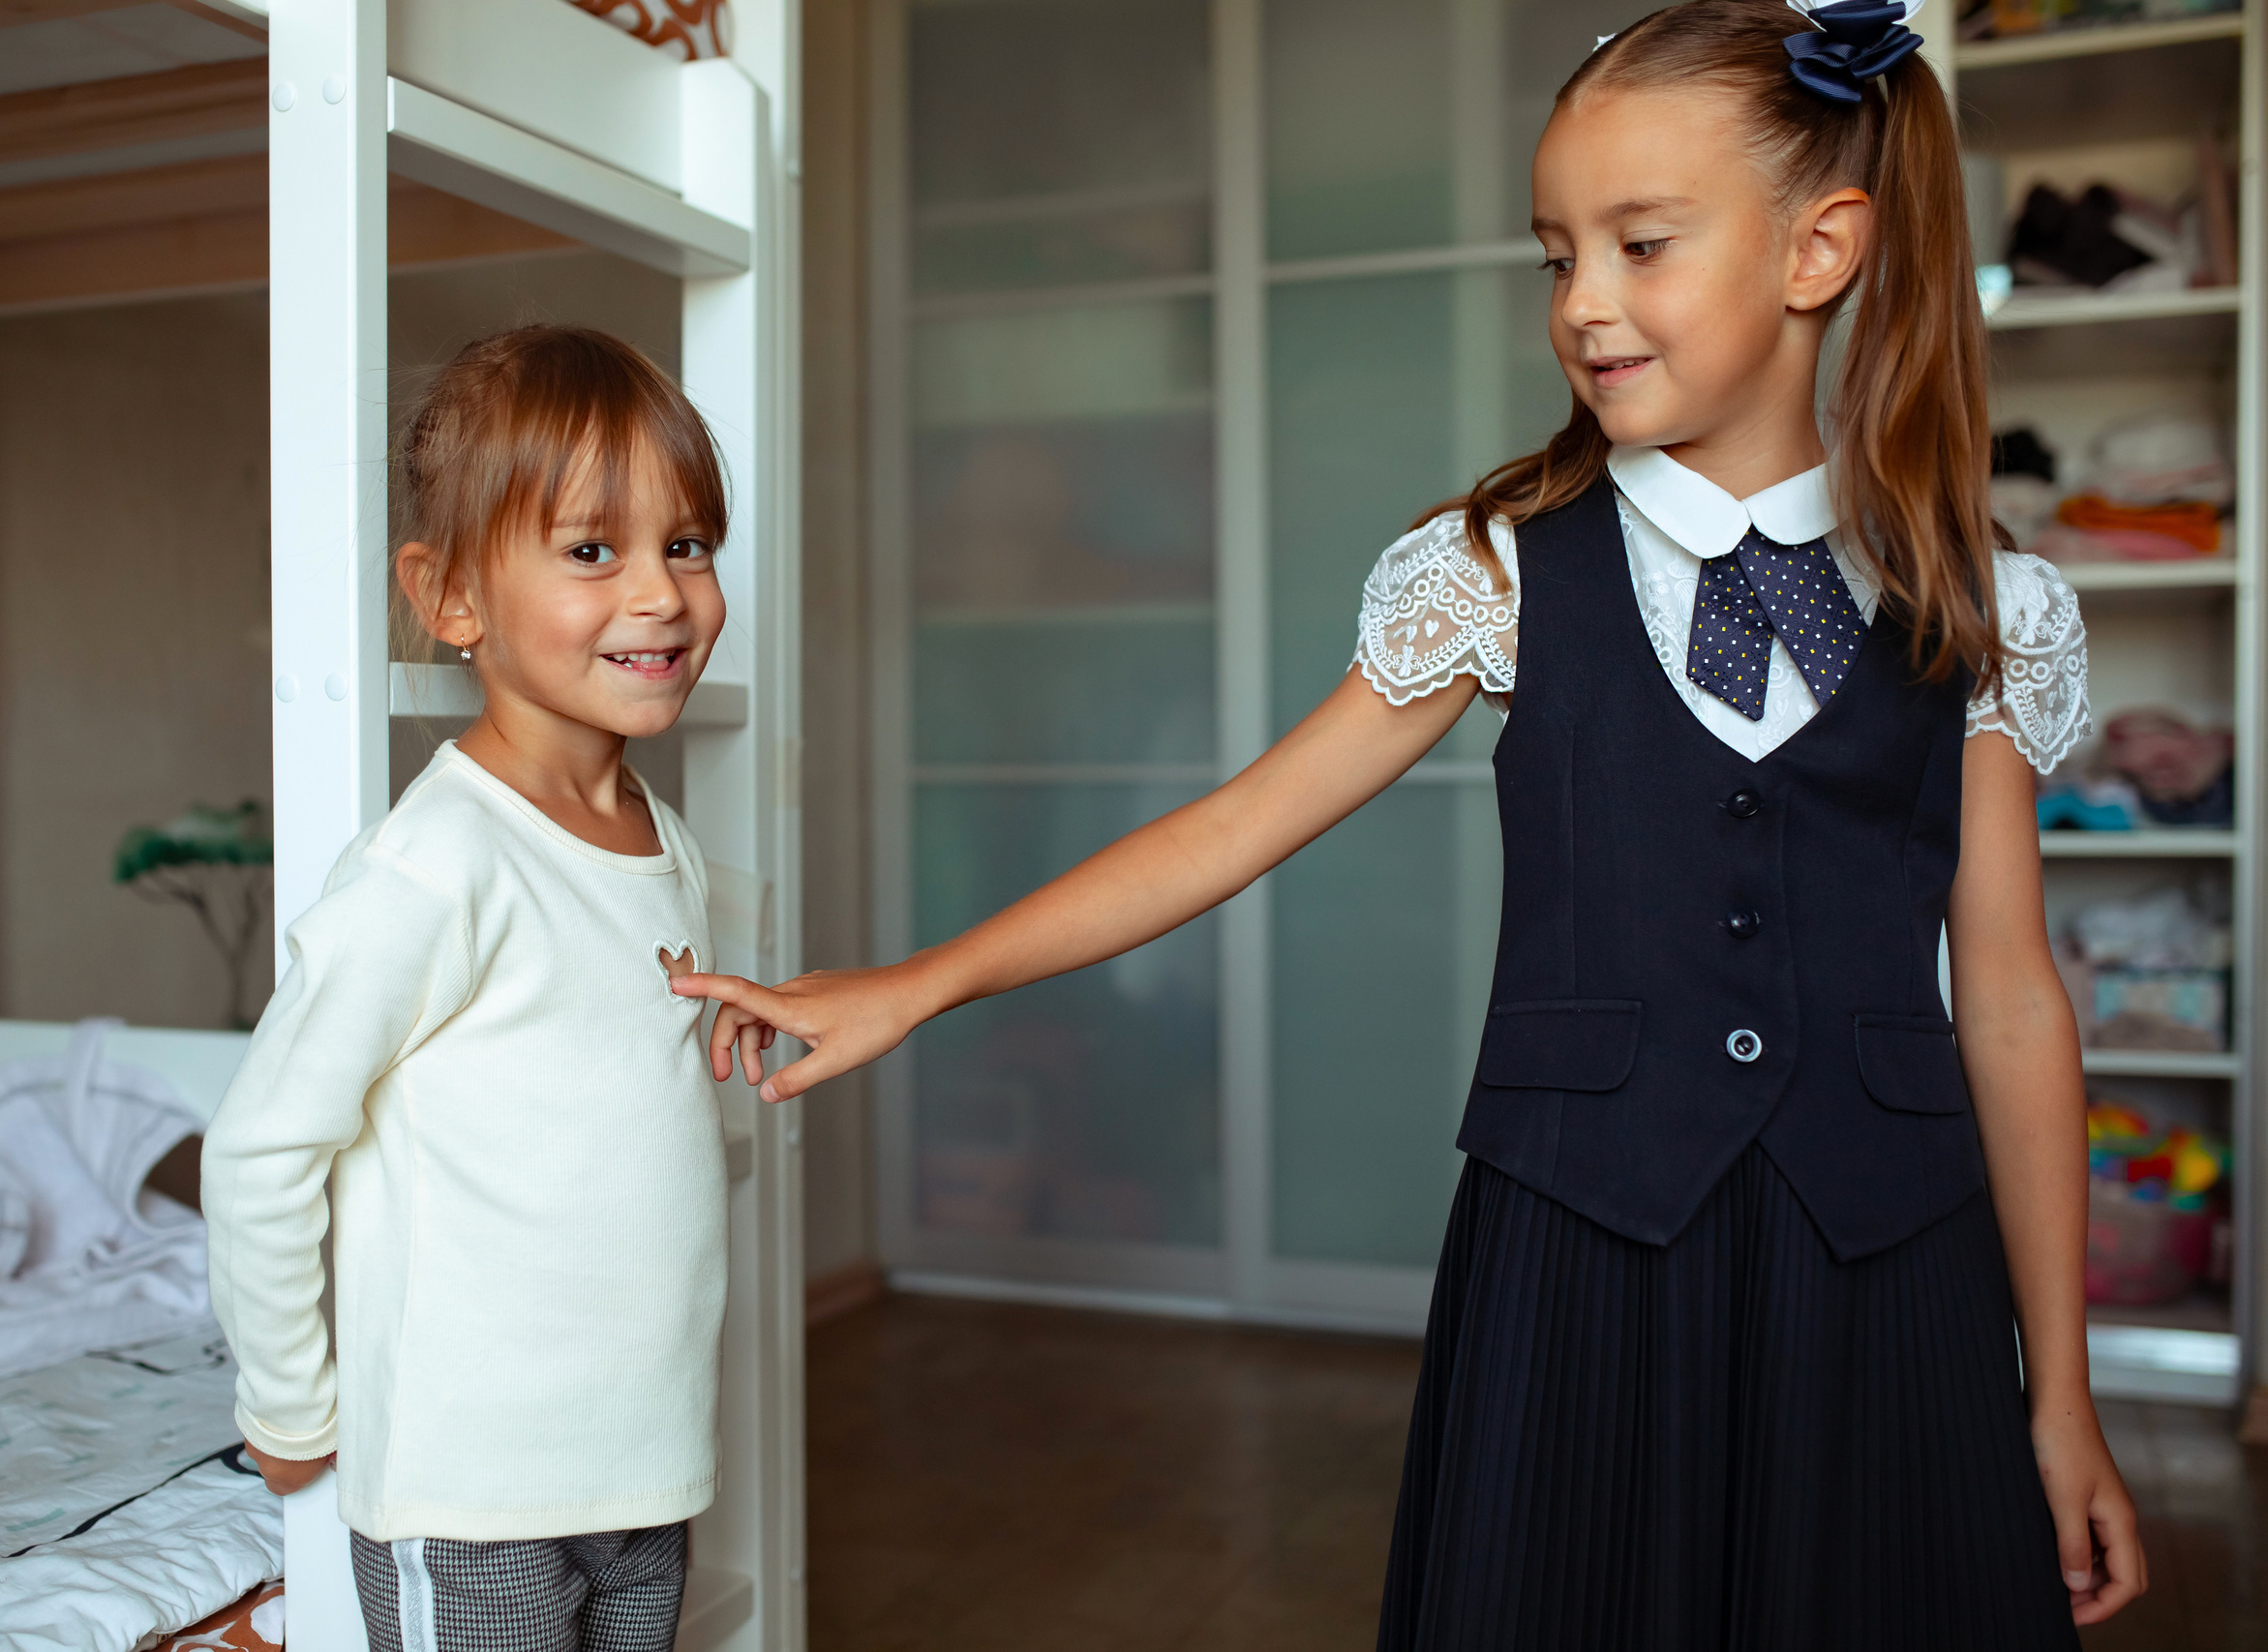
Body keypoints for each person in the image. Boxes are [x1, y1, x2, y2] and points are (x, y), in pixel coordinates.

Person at [675, 1, 2145, 1642]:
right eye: (1555, 256)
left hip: (1891, 1276)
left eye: (1640, 245)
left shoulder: (1986, 601)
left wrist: (2061, 1392)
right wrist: (920, 982)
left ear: (1821, 250)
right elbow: (1230, 828)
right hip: (1586, 1263)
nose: (1583, 304)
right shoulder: (1501, 565)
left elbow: (2008, 995)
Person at [203, 325, 749, 1652]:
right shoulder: (434, 866)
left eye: (686, 545)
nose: (663, 594)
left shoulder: (659, 838)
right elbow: (263, 1148)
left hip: (646, 1464)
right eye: (590, 550)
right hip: (476, 1487)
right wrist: (288, 1412)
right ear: (450, 597)